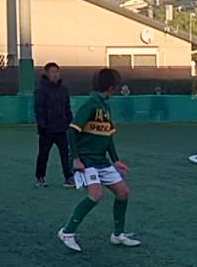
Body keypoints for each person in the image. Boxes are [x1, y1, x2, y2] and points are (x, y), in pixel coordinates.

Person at [56, 68, 140, 252]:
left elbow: (107, 136)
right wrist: (76, 159)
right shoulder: (91, 105)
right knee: (96, 194)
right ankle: (67, 232)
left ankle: (118, 235)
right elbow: (71, 131)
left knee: (123, 192)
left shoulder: (104, 106)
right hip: (86, 160)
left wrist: (115, 160)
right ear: (111, 87)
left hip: (101, 160)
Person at [34, 61, 74, 188]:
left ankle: (69, 177)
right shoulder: (41, 90)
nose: (56, 74)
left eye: (57, 71)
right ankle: (40, 177)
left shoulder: (63, 90)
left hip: (62, 128)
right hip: (47, 130)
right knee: (43, 154)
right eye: (53, 72)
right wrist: (43, 126)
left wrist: (70, 122)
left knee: (66, 154)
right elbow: (39, 109)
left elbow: (67, 108)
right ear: (47, 74)